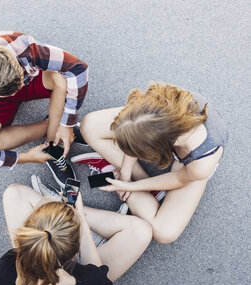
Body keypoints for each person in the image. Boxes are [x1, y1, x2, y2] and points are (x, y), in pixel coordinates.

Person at [72, 83, 228, 244]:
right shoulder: (159, 104)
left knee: (164, 232)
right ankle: (131, 174)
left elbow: (179, 179)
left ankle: (128, 176)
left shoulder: (201, 164)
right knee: (89, 126)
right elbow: (138, 128)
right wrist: (125, 173)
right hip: (158, 127)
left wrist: (130, 187)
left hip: (186, 167)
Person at [0, 183, 152, 285]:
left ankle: (60, 214)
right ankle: (68, 211)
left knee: (14, 193)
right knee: (142, 231)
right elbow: (97, 270)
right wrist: (81, 217)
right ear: (75, 254)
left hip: (62, 273)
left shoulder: (2, 269)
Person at [0, 31, 88, 187]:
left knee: (61, 79)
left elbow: (79, 69)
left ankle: (55, 142)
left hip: (26, 79)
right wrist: (26, 156)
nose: (16, 92)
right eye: (11, 91)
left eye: (17, 85)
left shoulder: (23, 46)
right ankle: (55, 126)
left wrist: (68, 123)